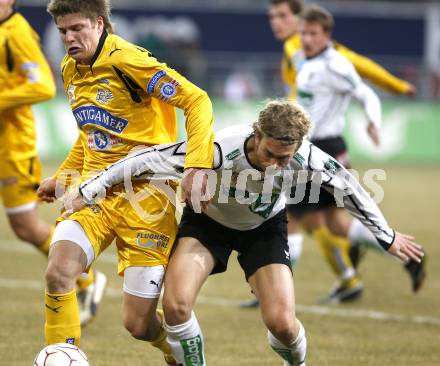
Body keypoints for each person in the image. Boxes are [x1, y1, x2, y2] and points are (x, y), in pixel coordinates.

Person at [74, 100, 424, 366]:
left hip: (264, 230)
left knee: (283, 325)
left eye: (285, 159)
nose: (277, 164)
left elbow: (350, 188)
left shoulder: (305, 156)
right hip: (207, 226)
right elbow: (146, 160)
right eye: (271, 154)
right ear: (256, 136)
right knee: (176, 305)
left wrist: (388, 237)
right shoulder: (217, 150)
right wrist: (89, 190)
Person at [37, 0, 214, 364]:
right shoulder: (71, 67)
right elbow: (90, 132)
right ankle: (64, 355)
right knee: (58, 272)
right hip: (95, 194)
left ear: (99, 23)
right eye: (63, 31)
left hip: (146, 198)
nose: (69, 38)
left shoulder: (128, 61)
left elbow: (197, 100)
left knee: (137, 324)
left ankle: (170, 347)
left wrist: (198, 165)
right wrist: (63, 175)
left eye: (77, 29)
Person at [239, 0, 424, 307]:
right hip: (313, 146)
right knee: (332, 224)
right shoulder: (302, 59)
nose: (306, 38)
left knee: (291, 217)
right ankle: (396, 260)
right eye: (304, 33)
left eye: (311, 33)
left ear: (324, 34)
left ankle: (274, 294)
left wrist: (384, 108)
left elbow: (364, 86)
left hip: (321, 149)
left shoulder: (334, 62)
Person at [0, 0, 106, 325]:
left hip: (12, 148)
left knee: (26, 227)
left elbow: (42, 86)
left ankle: (86, 278)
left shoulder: (15, 33)